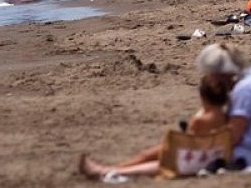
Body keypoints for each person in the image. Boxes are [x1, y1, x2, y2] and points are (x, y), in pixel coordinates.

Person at [78, 76, 230, 180]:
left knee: (152, 159)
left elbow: (189, 142)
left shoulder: (200, 119)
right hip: (209, 156)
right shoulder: (225, 115)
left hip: (194, 160)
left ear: (202, 96)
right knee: (149, 154)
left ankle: (109, 171)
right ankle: (111, 169)